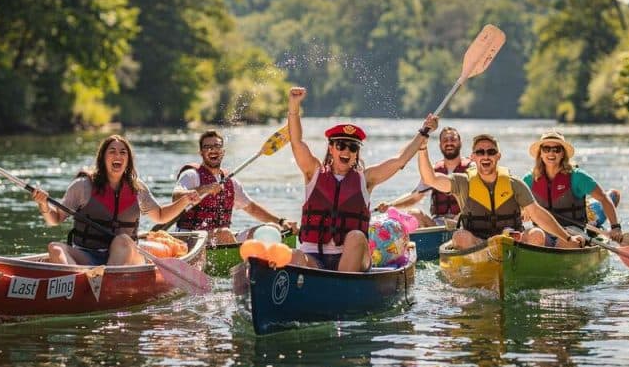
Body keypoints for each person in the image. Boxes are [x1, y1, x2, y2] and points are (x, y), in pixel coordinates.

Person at [286, 86, 436, 272]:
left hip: (353, 257)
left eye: (352, 148)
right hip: (313, 256)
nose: (346, 151)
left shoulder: (366, 179)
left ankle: (341, 288)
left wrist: (424, 132)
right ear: (331, 149)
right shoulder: (313, 173)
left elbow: (399, 161)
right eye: (341, 145)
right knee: (293, 256)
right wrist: (293, 107)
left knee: (356, 236)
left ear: (357, 154)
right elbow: (297, 142)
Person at [31, 134, 201, 266]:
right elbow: (55, 219)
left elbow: (161, 216)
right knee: (55, 247)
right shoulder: (82, 186)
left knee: (122, 240)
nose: (117, 156)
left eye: (122, 152)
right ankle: (76, 280)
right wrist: (43, 204)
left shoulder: (137, 189)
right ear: (103, 158)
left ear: (128, 161)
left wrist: (184, 200)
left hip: (126, 256)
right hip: (88, 255)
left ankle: (105, 281)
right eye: (112, 151)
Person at [418, 126, 587, 250]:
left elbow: (537, 213)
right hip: (479, 245)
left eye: (491, 152)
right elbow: (430, 178)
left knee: (536, 234)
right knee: (460, 236)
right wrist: (423, 147)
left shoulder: (514, 184)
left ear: (498, 156)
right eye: (480, 152)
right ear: (473, 157)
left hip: (512, 244)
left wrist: (567, 237)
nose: (486, 156)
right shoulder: (462, 182)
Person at [172, 130, 297, 244]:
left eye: (217, 146)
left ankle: (257, 262)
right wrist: (204, 189)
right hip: (191, 239)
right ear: (201, 153)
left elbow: (252, 208)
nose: (213, 150)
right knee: (224, 233)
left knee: (271, 229)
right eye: (207, 147)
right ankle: (243, 261)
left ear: (223, 152)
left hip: (220, 239)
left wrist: (281, 222)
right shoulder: (191, 175)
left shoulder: (230, 182)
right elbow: (176, 196)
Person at [522, 130, 623, 245]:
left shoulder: (577, 176)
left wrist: (615, 227)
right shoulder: (529, 179)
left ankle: (593, 217)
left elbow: (603, 198)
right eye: (546, 149)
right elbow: (516, 208)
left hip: (573, 231)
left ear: (563, 154)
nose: (551, 153)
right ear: (540, 153)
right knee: (534, 234)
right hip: (544, 232)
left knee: (567, 240)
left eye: (556, 149)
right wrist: (524, 209)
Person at [375, 126, 472, 228]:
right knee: (414, 214)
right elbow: (415, 197)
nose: (449, 143)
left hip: (463, 221)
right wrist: (391, 205)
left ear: (460, 143)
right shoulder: (432, 171)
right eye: (445, 140)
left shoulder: (471, 167)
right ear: (440, 145)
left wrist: (461, 217)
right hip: (438, 224)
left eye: (453, 139)